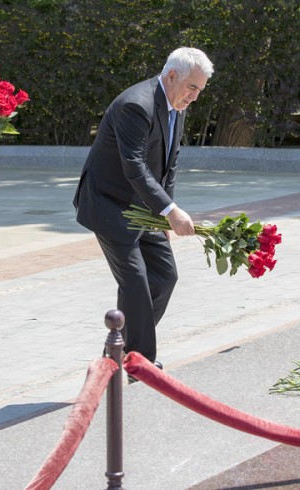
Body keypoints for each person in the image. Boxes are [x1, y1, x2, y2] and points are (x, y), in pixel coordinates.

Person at [74, 47, 214, 370]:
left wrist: (165, 218)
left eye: (199, 91)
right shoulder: (136, 105)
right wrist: (170, 211)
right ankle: (141, 364)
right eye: (192, 87)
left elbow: (169, 165)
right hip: (108, 204)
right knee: (135, 281)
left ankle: (119, 350)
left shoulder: (176, 106)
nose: (194, 96)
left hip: (144, 208)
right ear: (172, 75)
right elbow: (133, 166)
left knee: (165, 276)